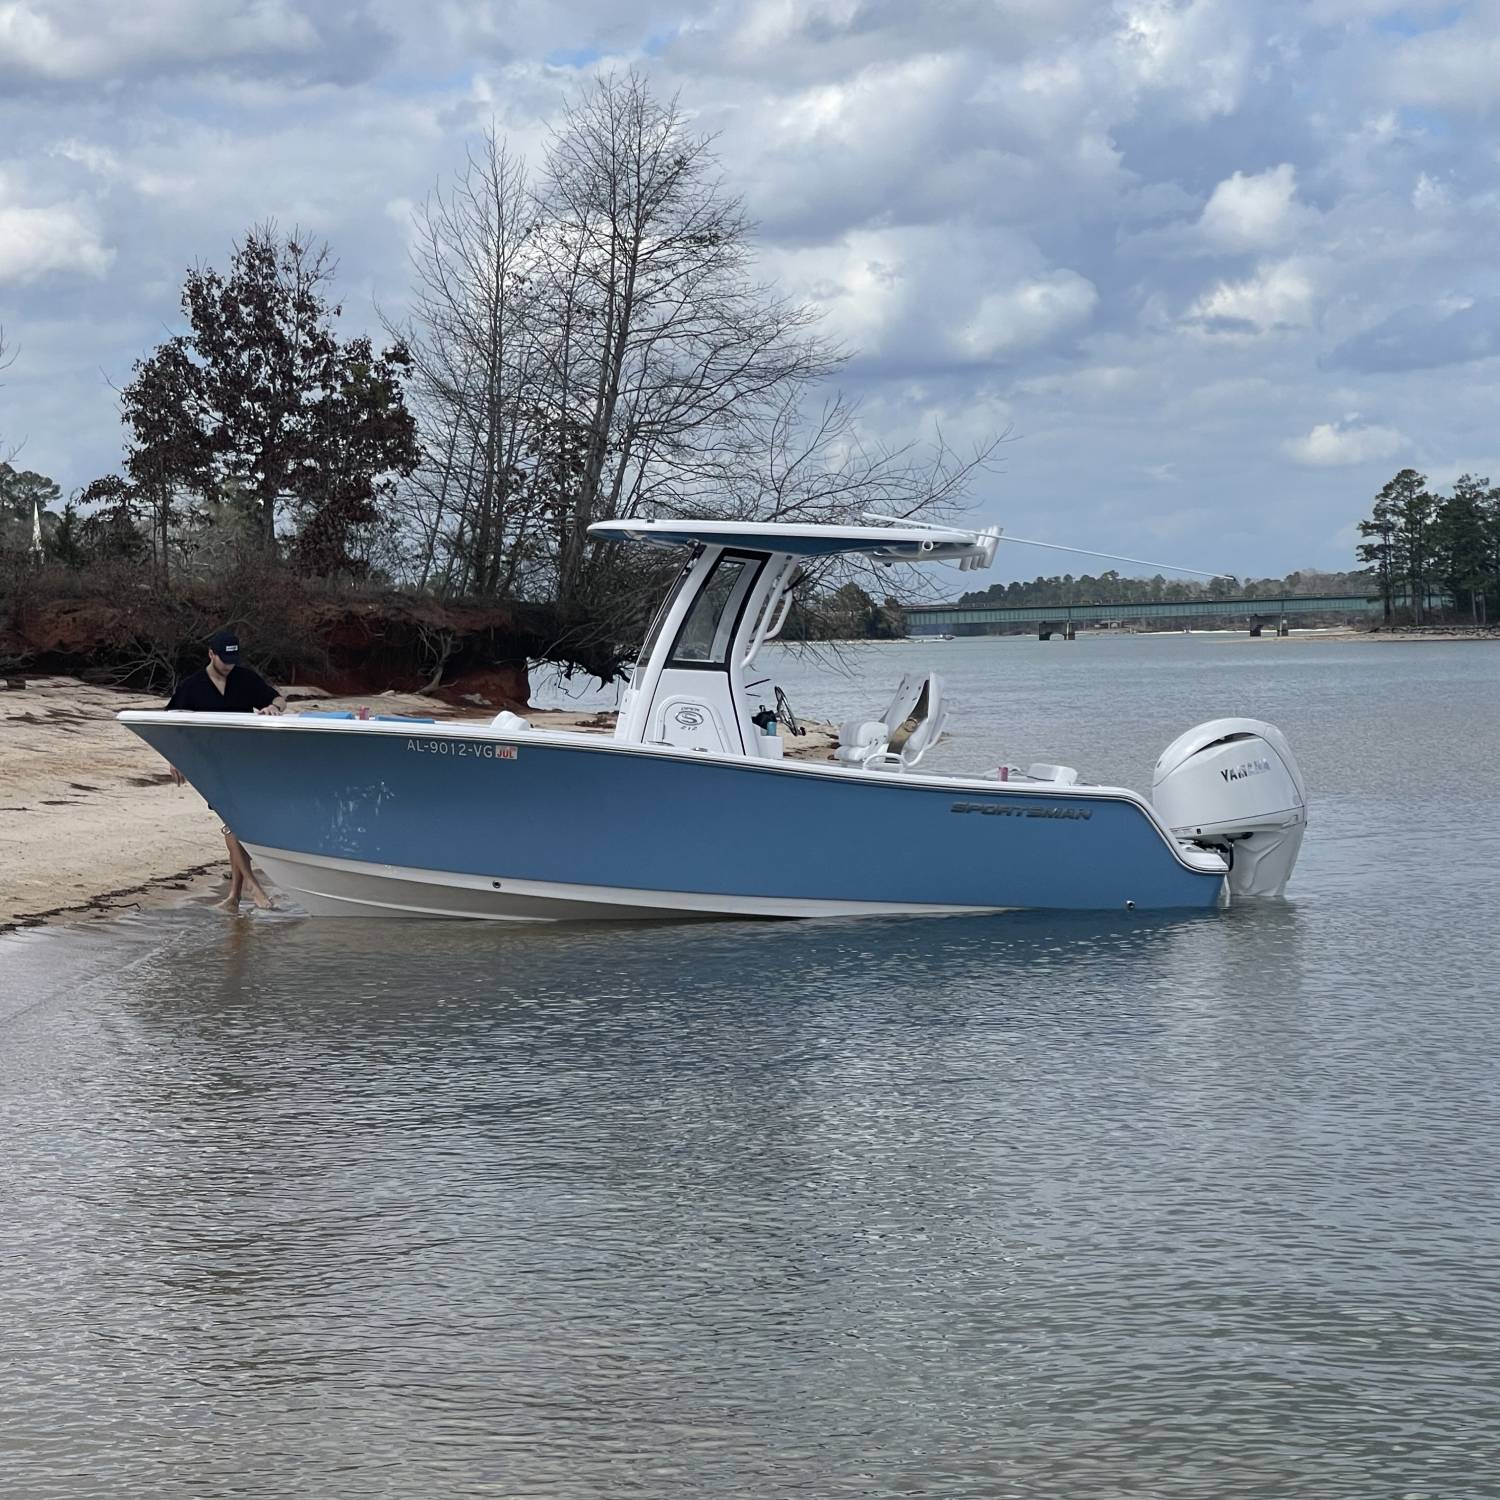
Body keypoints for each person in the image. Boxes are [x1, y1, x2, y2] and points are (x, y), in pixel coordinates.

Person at [165, 630, 284, 913]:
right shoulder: (192, 686)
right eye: (224, 659)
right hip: (210, 767)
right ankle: (255, 888)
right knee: (233, 823)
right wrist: (175, 758)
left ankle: (234, 898)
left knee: (237, 826)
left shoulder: (245, 678)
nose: (229, 665)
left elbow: (279, 699)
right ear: (210, 654)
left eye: (233, 659)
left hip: (245, 763)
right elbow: (170, 724)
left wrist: (272, 708)